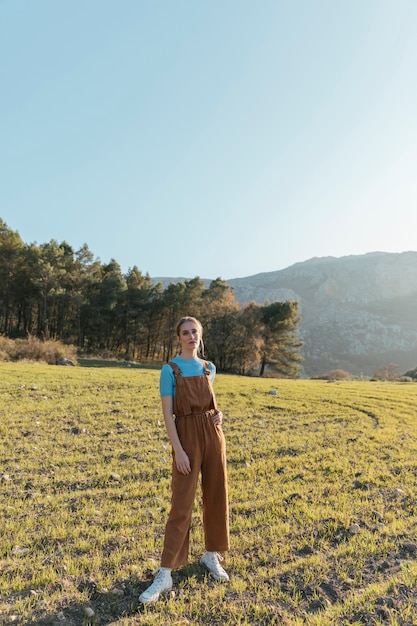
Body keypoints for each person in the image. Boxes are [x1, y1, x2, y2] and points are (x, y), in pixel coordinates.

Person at [139, 316, 230, 604]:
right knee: (182, 503)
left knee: (216, 495)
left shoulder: (209, 368)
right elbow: (168, 414)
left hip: (213, 435)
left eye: (195, 332)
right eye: (185, 333)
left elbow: (210, 405)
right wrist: (178, 450)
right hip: (186, 437)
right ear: (178, 337)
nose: (191, 337)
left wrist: (218, 415)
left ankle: (210, 554)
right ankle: (165, 572)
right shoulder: (170, 369)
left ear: (200, 337)